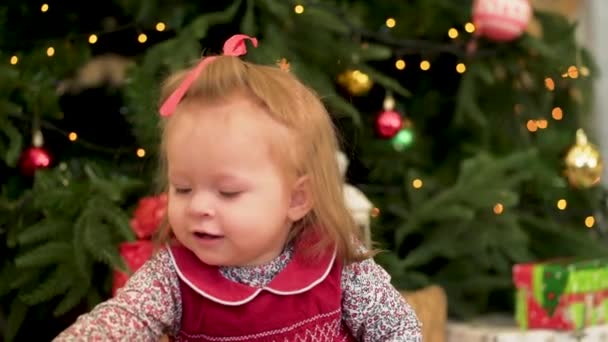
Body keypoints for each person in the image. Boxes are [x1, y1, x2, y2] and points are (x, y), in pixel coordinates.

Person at [54, 34, 421, 341]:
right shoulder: (170, 276)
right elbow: (121, 320)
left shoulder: (335, 260)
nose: (198, 206)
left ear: (296, 198)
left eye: (227, 192)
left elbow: (397, 330)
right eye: (182, 189)